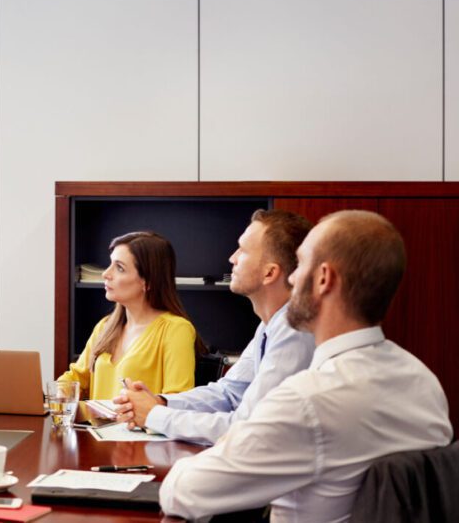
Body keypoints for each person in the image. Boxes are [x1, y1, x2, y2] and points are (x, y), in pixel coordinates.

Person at [160, 210, 453, 522]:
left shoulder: (306, 402)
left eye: (300, 264)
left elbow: (183, 493)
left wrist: (227, 441)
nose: (292, 277)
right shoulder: (424, 382)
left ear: (324, 279)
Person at [115, 209, 315, 444]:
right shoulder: (270, 325)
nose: (232, 258)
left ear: (269, 272)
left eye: (243, 250)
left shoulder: (294, 330)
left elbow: (246, 426)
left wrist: (155, 415)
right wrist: (162, 402)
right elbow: (229, 393)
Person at [59, 231, 201, 400]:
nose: (106, 274)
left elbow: (176, 401)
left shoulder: (176, 330)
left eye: (119, 268)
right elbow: (75, 378)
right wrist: (60, 394)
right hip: (94, 426)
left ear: (147, 281)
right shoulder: (105, 326)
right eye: (110, 264)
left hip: (139, 427)